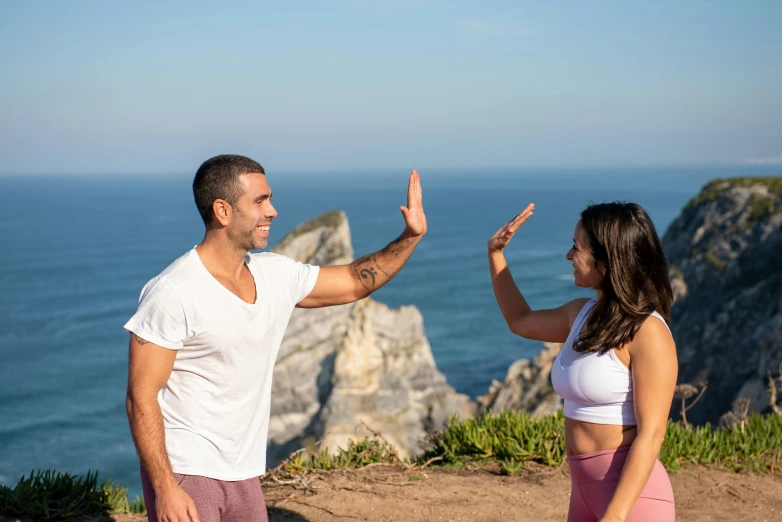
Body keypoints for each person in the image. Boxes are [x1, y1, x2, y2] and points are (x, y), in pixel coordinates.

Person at [124, 154, 427, 522]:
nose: (273, 211)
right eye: (260, 201)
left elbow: (353, 282)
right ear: (222, 210)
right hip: (189, 471)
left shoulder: (275, 275)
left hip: (245, 472)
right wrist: (166, 486)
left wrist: (410, 238)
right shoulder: (173, 291)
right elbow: (141, 396)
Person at [488, 202, 677, 522]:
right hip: (583, 493)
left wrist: (615, 516)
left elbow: (652, 434)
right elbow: (520, 321)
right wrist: (495, 254)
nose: (568, 256)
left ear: (606, 261)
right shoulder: (581, 314)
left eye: (576, 247)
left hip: (631, 503)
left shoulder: (649, 332)